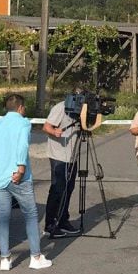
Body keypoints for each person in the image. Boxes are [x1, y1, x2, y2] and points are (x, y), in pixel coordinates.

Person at [0, 94, 52, 271]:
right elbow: (22, 146)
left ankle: (5, 258)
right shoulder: (23, 123)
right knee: (30, 214)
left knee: (3, 217)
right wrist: (21, 168)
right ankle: (35, 256)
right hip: (18, 176)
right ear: (21, 108)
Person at [42, 89, 101, 238]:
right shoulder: (61, 107)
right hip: (58, 155)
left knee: (68, 189)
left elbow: (86, 126)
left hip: (72, 156)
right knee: (58, 189)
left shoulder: (82, 110)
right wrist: (54, 132)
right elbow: (46, 126)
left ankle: (63, 220)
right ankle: (50, 224)